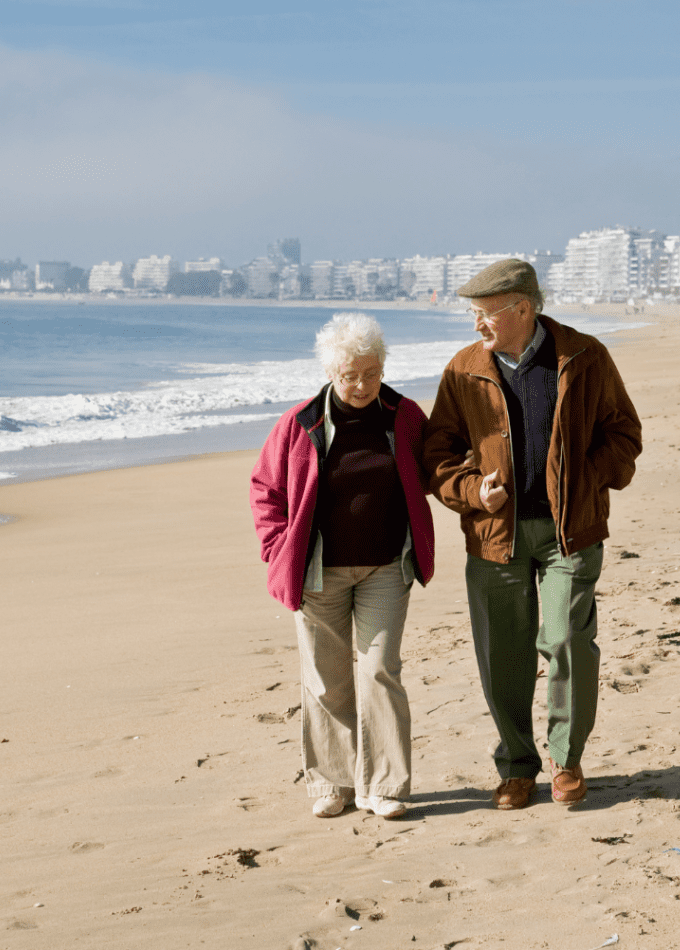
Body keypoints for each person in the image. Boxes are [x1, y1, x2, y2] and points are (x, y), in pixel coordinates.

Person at [423, 259, 641, 809]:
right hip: (495, 537)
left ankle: (566, 760)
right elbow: (437, 456)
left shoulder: (585, 356)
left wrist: (585, 478)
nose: (477, 324)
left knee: (567, 641)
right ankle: (517, 766)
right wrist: (473, 492)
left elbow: (624, 433)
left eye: (486, 313)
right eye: (474, 314)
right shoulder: (462, 369)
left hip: (572, 531)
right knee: (503, 654)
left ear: (522, 308)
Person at [250, 313, 435, 820]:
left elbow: (437, 466)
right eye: (350, 375)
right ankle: (333, 783)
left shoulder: (404, 416)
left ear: (383, 369)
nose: (362, 386)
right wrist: (277, 548)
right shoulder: (300, 423)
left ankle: (386, 786)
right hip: (317, 573)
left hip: (385, 569)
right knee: (326, 681)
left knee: (380, 671)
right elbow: (265, 489)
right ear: (331, 373)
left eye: (371, 373)